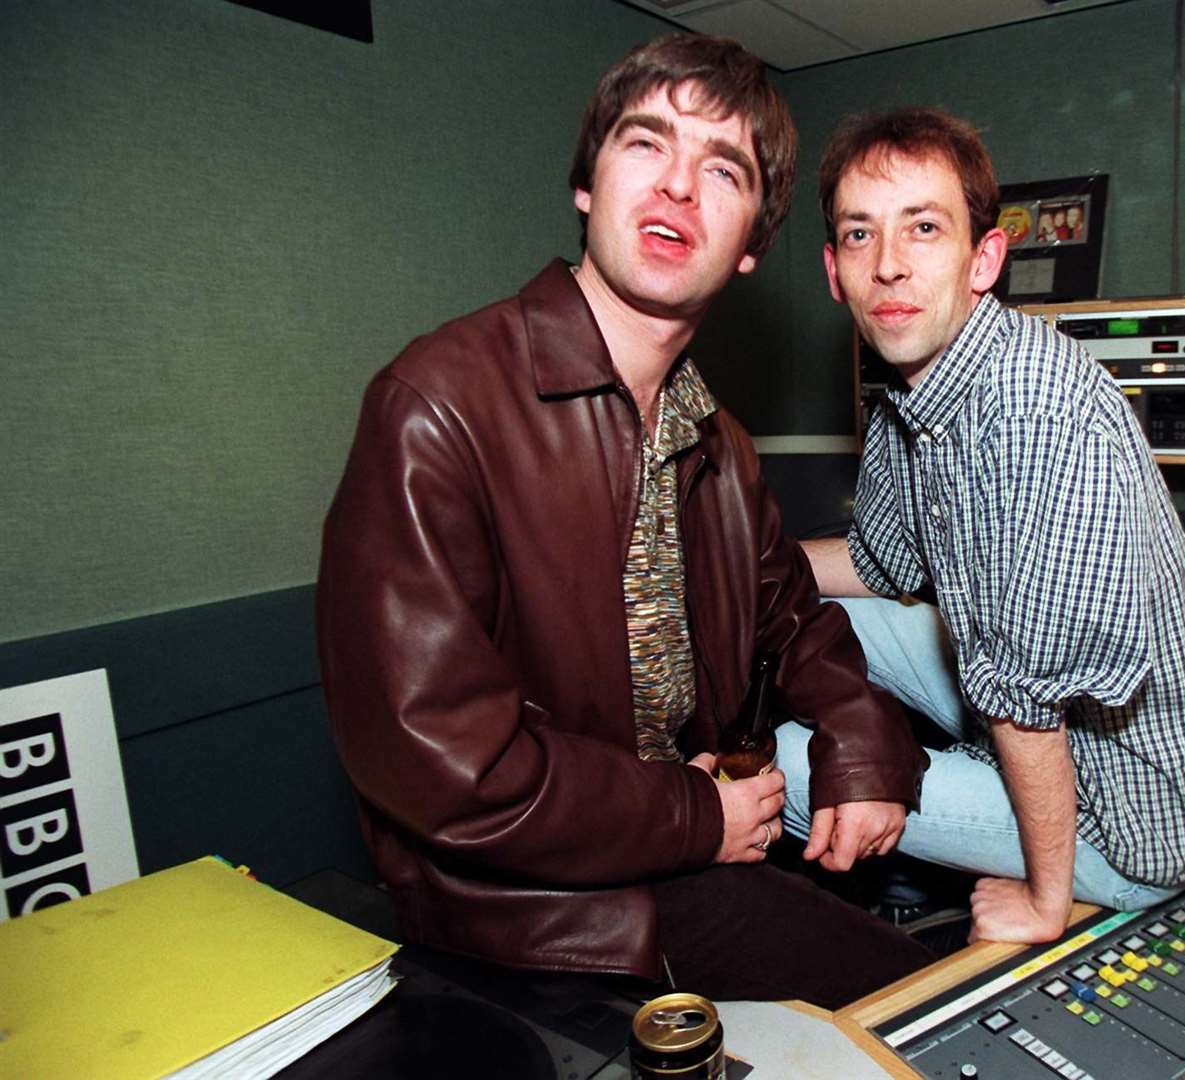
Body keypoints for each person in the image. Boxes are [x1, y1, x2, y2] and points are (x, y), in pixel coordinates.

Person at [316, 35, 932, 1009]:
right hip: (537, 921)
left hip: (687, 868)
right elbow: (449, 768)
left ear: (750, 247)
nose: (679, 185)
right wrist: (697, 815)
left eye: (720, 168)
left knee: (941, 1012)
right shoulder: (436, 405)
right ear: (586, 186)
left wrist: (863, 747)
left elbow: (797, 619)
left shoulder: (718, 442)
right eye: (647, 144)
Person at [789, 107, 1185, 946]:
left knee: (783, 768)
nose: (888, 265)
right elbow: (879, 562)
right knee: (799, 614)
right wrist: (730, 567)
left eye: (924, 228)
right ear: (834, 268)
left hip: (1133, 823)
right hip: (1032, 726)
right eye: (860, 235)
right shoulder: (910, 404)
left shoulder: (1036, 417)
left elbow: (1028, 710)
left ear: (983, 259)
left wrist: (1043, 903)